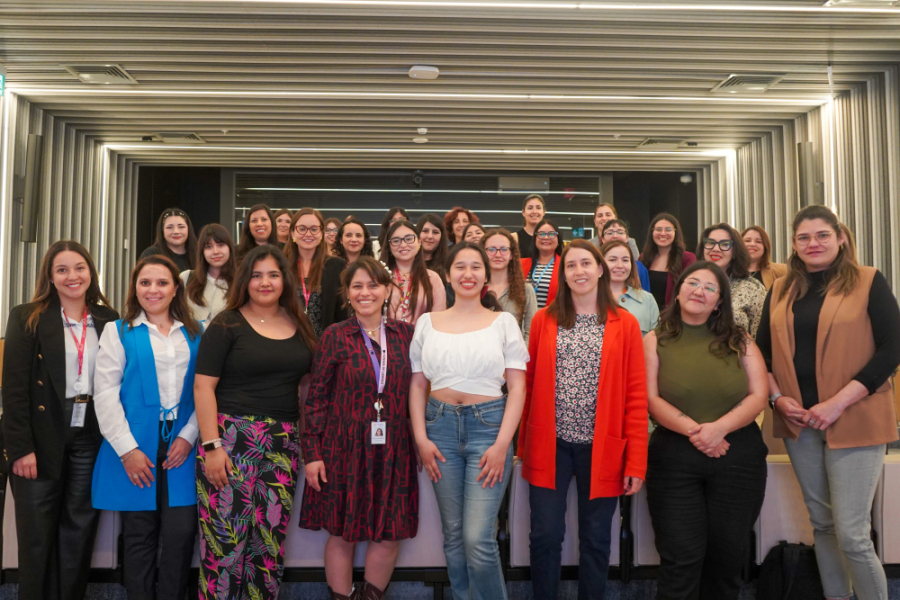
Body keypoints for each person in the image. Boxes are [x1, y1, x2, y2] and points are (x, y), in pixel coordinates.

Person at [756, 205, 900, 600]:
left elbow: (892, 349)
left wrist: (837, 403)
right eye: (803, 237)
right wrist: (777, 399)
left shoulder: (868, 281)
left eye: (822, 235)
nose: (813, 243)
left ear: (840, 237)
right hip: (799, 424)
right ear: (794, 244)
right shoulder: (781, 289)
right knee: (822, 524)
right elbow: (762, 353)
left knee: (852, 533)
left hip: (856, 418)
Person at [520, 239, 648, 600]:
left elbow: (636, 396)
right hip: (550, 444)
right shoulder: (544, 320)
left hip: (602, 447)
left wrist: (635, 462)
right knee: (544, 535)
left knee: (596, 539)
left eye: (586, 264)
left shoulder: (625, 323)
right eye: (571, 265)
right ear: (563, 274)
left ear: (600, 269)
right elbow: (529, 386)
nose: (579, 271)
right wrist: (522, 444)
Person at [194, 245, 317, 600]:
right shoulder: (226, 323)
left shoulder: (299, 322)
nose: (265, 282)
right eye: (257, 275)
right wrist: (212, 447)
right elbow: (203, 387)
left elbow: (306, 387)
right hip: (231, 441)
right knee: (224, 547)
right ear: (245, 280)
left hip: (284, 444)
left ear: (285, 280)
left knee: (268, 548)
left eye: (273, 275)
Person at [410, 242, 529, 600]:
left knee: (478, 537)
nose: (468, 274)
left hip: (488, 429)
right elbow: (417, 385)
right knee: (454, 535)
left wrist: (502, 445)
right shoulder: (427, 323)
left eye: (475, 266)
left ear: (486, 276)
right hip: (439, 428)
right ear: (447, 275)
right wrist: (421, 438)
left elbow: (517, 387)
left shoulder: (503, 322)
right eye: (460, 266)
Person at [643, 261, 769, 600]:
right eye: (693, 283)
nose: (700, 291)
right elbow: (650, 398)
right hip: (674, 457)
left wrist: (719, 429)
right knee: (679, 558)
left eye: (710, 288)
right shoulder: (654, 340)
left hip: (738, 456)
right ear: (678, 291)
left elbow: (759, 395)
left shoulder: (741, 339)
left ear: (719, 302)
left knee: (727, 557)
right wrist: (697, 432)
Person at [2, 241, 118, 600]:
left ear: (90, 272)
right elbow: (14, 389)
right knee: (36, 537)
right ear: (50, 277)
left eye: (79, 268)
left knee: (78, 531)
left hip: (90, 435)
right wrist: (20, 448)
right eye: (62, 269)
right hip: (41, 436)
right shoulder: (28, 317)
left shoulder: (108, 318)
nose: (72, 276)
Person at [301, 257, 419, 600]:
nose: (365, 292)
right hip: (343, 448)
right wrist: (312, 454)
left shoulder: (406, 335)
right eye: (357, 286)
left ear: (387, 291)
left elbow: (421, 389)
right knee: (342, 533)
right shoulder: (334, 336)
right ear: (347, 293)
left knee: (390, 531)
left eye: (373, 285)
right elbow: (316, 399)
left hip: (394, 446)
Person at [91, 255, 202, 600]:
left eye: (162, 282)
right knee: (139, 535)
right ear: (135, 288)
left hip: (183, 443)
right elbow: (105, 394)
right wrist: (128, 450)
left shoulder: (197, 332)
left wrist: (189, 436)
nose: (153, 290)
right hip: (136, 444)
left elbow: (207, 390)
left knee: (181, 533)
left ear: (176, 289)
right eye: (145, 282)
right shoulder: (118, 331)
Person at [284, 208, 348, 336]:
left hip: (325, 342)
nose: (308, 234)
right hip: (287, 340)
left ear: (321, 234)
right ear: (292, 233)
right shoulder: (281, 266)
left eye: (314, 229)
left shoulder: (336, 266)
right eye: (302, 229)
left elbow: (342, 313)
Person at [698, 223, 767, 339]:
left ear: (735, 252)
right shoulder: (690, 283)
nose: (716, 249)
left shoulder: (753, 288)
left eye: (725, 244)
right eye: (710, 243)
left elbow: (761, 337)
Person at [379, 220, 446, 325]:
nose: (403, 245)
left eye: (409, 239)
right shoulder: (380, 277)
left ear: (419, 242)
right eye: (396, 241)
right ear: (389, 246)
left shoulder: (432, 278)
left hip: (423, 335)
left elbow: (439, 320)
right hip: (386, 334)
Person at [482, 228, 537, 342]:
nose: (498, 255)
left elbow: (531, 332)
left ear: (511, 254)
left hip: (514, 352)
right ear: (483, 253)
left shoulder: (526, 290)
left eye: (504, 249)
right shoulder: (475, 289)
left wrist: (521, 353)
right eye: (491, 249)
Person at [180, 223, 235, 324]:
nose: (215, 251)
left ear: (230, 248)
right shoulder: (186, 278)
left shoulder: (240, 281)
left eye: (220, 245)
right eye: (208, 247)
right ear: (202, 252)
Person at [601, 240, 659, 336]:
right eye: (612, 260)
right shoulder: (589, 299)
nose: (620, 265)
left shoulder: (647, 299)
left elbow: (657, 338)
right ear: (600, 265)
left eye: (625, 260)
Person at [640, 213, 696, 310]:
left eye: (668, 229)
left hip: (673, 314)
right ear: (652, 232)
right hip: (646, 313)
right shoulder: (643, 258)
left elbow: (692, 288)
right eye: (658, 229)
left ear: (675, 232)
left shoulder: (687, 258)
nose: (663, 233)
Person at [140, 208, 197, 273]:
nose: (176, 231)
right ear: (162, 230)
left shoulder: (199, 253)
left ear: (188, 229)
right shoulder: (152, 254)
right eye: (169, 227)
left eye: (181, 227)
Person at [521, 219, 562, 309]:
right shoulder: (521, 264)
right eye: (541, 234)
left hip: (552, 316)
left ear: (558, 239)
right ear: (535, 239)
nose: (546, 237)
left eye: (551, 234)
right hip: (522, 317)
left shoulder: (565, 266)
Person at [600, 219, 651, 291]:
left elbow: (645, 295)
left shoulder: (639, 267)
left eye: (620, 232)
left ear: (627, 238)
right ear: (602, 239)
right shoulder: (594, 265)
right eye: (610, 233)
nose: (615, 236)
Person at [741, 226, 787, 290]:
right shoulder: (729, 272)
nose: (752, 244)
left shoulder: (781, 271)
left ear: (765, 247)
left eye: (758, 241)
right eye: (747, 241)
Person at [417, 213, 450, 283]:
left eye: (435, 232)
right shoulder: (408, 262)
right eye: (425, 231)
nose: (430, 236)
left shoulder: (448, 264)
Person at [511, 194, 545, 261]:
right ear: (523, 212)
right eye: (530, 208)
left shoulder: (551, 238)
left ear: (544, 212)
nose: (534, 212)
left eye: (538, 208)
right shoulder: (514, 238)